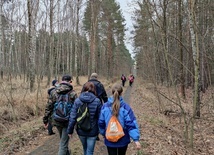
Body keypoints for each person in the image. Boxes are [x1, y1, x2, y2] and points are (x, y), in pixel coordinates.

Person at [98, 83, 141, 155]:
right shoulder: (126, 107)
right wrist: (136, 139)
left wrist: (103, 133)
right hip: (123, 138)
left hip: (110, 137)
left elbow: (101, 122)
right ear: (121, 93)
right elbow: (131, 123)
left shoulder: (105, 107)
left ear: (112, 92)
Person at [43, 75, 77, 155]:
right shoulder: (73, 93)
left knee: (63, 140)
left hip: (57, 119)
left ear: (61, 81)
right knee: (63, 143)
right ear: (70, 81)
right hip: (67, 121)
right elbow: (76, 109)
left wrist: (45, 120)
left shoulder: (54, 92)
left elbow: (48, 106)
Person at [67, 82, 102, 155]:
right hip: (93, 130)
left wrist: (70, 131)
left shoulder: (77, 101)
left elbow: (73, 117)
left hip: (81, 130)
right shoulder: (97, 101)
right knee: (90, 151)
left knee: (85, 148)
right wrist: (101, 130)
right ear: (93, 90)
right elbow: (100, 118)